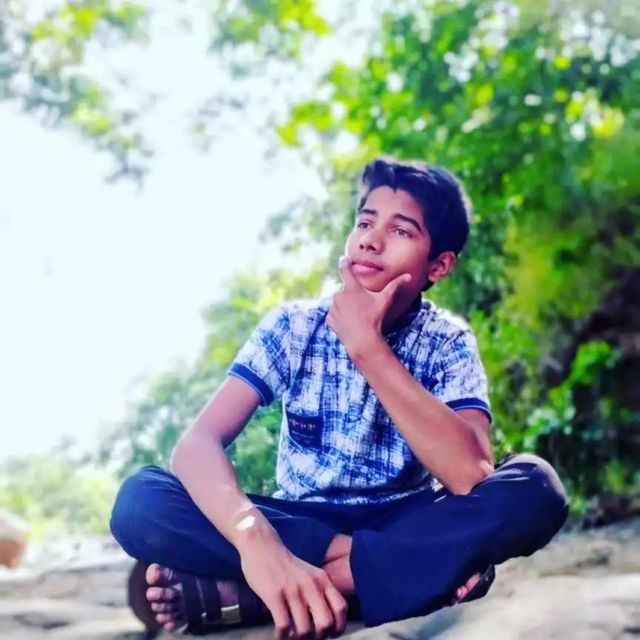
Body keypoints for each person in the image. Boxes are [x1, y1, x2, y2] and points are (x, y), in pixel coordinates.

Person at [110, 157, 569, 639]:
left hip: (401, 516)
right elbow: (196, 445)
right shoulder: (293, 326)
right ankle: (391, 572)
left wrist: (367, 346)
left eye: (401, 230)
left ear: (439, 265)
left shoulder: (447, 342)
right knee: (140, 503)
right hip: (299, 522)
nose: (371, 240)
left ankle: (263, 595)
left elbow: (470, 475)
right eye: (365, 223)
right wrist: (257, 542)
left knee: (535, 488)